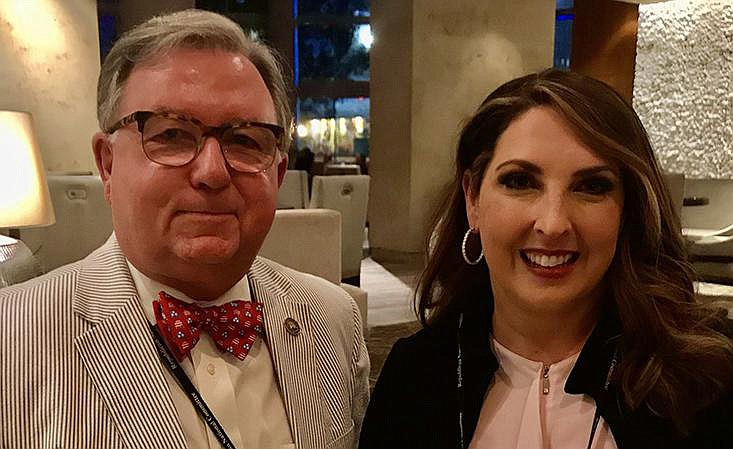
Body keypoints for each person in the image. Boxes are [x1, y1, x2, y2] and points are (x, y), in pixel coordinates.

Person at [0, 10, 368, 449]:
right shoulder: (13, 337)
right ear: (108, 165)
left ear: (278, 170)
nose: (212, 172)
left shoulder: (333, 318)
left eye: (246, 141)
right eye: (171, 134)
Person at [359, 69, 733, 449]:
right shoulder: (414, 377)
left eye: (591, 186)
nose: (553, 224)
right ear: (473, 199)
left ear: (628, 211)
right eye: (520, 181)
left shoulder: (710, 381)